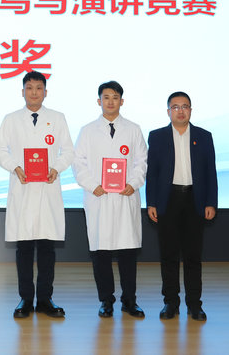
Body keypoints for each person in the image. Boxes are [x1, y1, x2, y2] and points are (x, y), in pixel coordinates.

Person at [0, 71, 74, 318]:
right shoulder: (11, 119)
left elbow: (68, 151)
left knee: (47, 249)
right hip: (23, 188)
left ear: (45, 92)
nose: (34, 92)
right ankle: (26, 299)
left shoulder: (57, 118)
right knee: (25, 249)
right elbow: (0, 151)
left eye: (39, 88)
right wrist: (15, 167)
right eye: (29, 88)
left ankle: (45, 299)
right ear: (22, 92)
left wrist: (56, 168)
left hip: (48, 189)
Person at [72, 81, 147, 318]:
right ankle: (106, 300)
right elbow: (78, 162)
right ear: (99, 101)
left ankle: (129, 300)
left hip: (125, 197)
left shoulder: (133, 129)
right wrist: (92, 185)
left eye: (115, 97)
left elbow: (142, 161)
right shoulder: (87, 130)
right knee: (101, 253)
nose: (110, 101)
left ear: (122, 101)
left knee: (127, 253)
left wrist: (132, 183)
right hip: (99, 198)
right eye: (106, 97)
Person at [146, 91, 217, 321]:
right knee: (169, 255)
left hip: (195, 200)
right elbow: (152, 173)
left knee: (193, 256)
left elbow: (210, 172)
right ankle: (170, 303)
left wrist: (211, 202)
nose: (180, 111)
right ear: (168, 111)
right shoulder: (157, 136)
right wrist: (151, 202)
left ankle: (195, 304)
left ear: (191, 110)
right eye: (175, 107)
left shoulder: (204, 136)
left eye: (184, 106)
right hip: (168, 200)